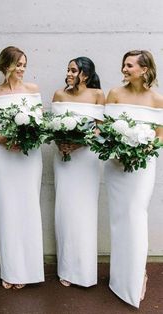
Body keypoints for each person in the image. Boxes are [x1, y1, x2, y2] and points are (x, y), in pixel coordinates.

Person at [104, 50, 163, 308]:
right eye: (123, 65)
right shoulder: (115, 94)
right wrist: (117, 146)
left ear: (144, 69)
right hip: (116, 166)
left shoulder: (158, 99)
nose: (124, 69)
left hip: (142, 166)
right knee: (119, 219)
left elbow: (160, 135)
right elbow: (104, 130)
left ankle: (138, 275)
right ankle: (119, 278)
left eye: (129, 65)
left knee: (135, 215)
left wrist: (145, 149)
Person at [0, 46, 44, 289]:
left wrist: (26, 138)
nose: (21, 69)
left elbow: (39, 124)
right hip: (4, 157)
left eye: (24, 65)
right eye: (17, 64)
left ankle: (29, 271)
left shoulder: (33, 90)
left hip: (29, 157)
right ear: (5, 65)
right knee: (7, 210)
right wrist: (6, 140)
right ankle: (11, 271)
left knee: (29, 209)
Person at [52, 56, 105, 287]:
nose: (69, 73)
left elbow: (100, 129)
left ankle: (84, 270)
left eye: (74, 70)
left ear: (85, 73)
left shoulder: (97, 95)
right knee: (65, 210)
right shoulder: (59, 95)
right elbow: (52, 126)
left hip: (87, 159)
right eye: (68, 70)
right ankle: (66, 268)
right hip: (64, 158)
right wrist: (60, 143)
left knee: (84, 211)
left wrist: (78, 144)